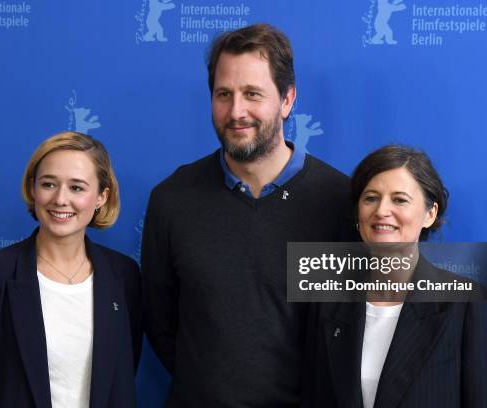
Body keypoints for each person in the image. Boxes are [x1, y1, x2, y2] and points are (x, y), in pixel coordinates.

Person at [141, 23, 356, 407]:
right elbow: (160, 324)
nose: (236, 112)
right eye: (224, 94)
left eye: (252, 94)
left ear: (287, 100)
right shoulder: (171, 199)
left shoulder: (340, 202)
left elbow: (347, 330)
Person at [302, 145, 487, 408]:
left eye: (399, 199)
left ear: (430, 214)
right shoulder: (327, 301)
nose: (382, 211)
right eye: (371, 198)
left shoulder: (466, 304)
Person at [0, 132, 142, 408]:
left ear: (102, 197)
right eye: (49, 184)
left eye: (77, 187)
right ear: (33, 189)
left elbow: (123, 370)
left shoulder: (124, 276)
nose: (60, 199)